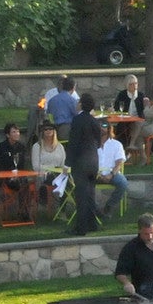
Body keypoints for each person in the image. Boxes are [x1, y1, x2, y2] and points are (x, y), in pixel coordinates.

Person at [67, 94, 103, 235]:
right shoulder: (94, 121)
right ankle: (92, 223)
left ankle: (81, 227)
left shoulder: (77, 120)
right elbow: (99, 142)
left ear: (81, 104)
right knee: (90, 194)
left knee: (81, 195)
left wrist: (67, 163)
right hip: (93, 161)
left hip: (81, 162)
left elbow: (73, 143)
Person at [0, 122, 33, 219]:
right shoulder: (1, 147)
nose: (17, 134)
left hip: (19, 177)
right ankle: (23, 212)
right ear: (7, 135)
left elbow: (22, 165)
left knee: (27, 184)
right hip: (5, 178)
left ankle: (23, 211)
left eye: (18, 132)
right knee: (24, 185)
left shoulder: (21, 147)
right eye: (14, 132)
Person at [96, 121, 129, 218]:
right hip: (95, 173)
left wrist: (111, 174)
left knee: (123, 183)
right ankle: (96, 210)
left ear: (109, 128)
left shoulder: (116, 144)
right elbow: (88, 162)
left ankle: (108, 207)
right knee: (83, 183)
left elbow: (119, 162)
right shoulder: (91, 144)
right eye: (99, 126)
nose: (102, 128)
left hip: (112, 173)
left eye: (104, 126)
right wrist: (98, 175)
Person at [31, 121, 66, 212]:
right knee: (53, 177)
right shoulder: (37, 146)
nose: (48, 131)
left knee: (66, 180)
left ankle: (62, 209)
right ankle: (45, 197)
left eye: (50, 129)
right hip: (43, 175)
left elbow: (63, 164)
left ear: (54, 131)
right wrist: (50, 170)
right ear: (42, 132)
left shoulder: (60, 147)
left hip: (59, 174)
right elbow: (36, 166)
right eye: (45, 129)